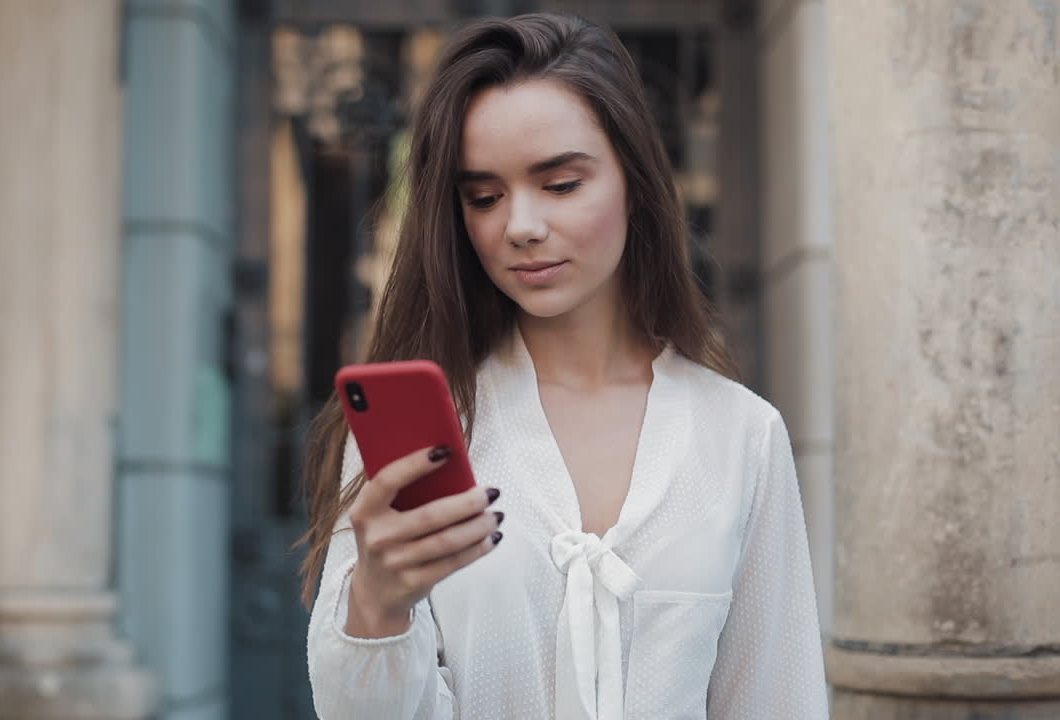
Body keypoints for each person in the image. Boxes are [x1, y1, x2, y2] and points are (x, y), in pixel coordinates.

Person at [300, 12, 828, 720]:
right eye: (483, 197)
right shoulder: (424, 437)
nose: (519, 225)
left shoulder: (739, 435)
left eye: (560, 184)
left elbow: (778, 699)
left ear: (634, 183)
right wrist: (376, 604)